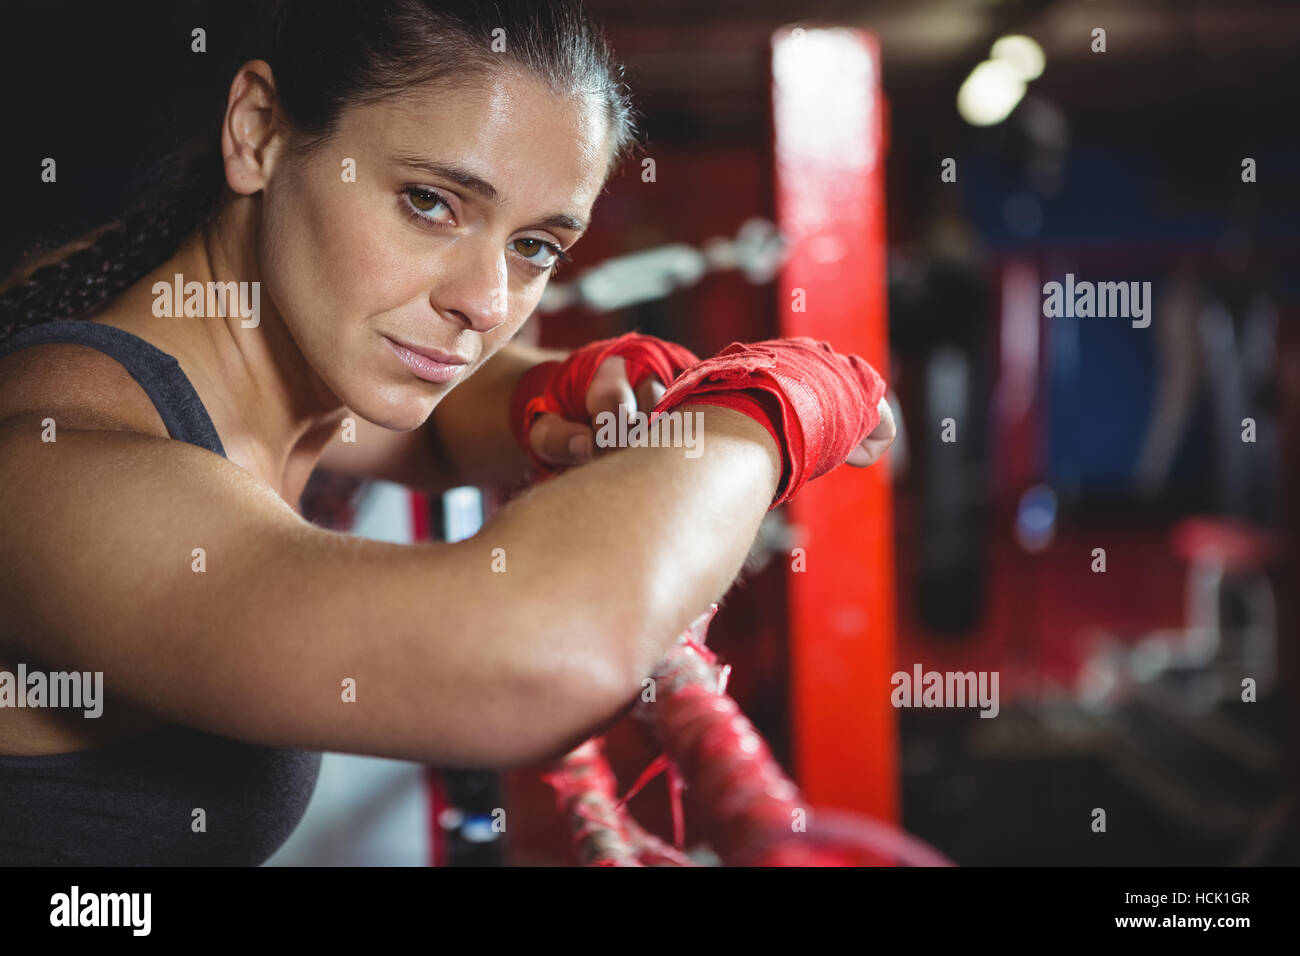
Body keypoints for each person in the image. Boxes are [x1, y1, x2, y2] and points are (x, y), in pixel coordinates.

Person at [0, 0, 894, 865]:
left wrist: (550, 393)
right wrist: (762, 410)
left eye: (535, 246)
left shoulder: (235, 350)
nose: (485, 304)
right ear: (260, 130)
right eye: (430, 203)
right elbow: (536, 659)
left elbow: (424, 431)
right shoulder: (54, 467)